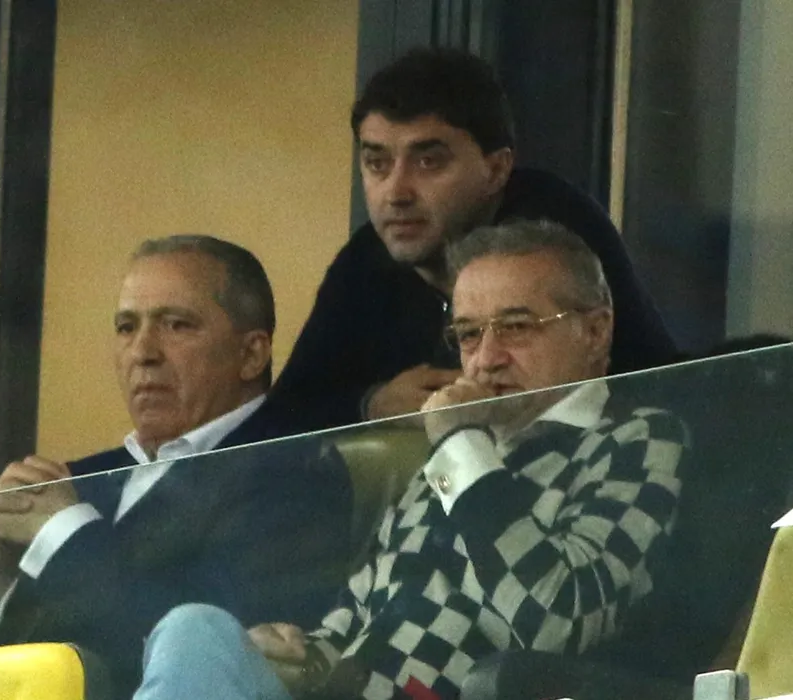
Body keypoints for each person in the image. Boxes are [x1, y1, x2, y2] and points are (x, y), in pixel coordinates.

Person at [130, 220, 688, 700]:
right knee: (195, 629)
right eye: (468, 334)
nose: (486, 359)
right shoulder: (458, 450)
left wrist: (462, 448)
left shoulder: (634, 438)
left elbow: (557, 621)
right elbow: (358, 620)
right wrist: (305, 655)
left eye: (517, 328)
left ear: (595, 330)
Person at [0, 235, 353, 697]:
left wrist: (65, 536)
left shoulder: (296, 471)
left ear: (251, 355)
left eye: (176, 325)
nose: (143, 352)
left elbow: (201, 654)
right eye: (127, 328)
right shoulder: (78, 483)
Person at [270, 48, 677, 432]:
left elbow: (657, 389)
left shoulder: (550, 236)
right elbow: (271, 425)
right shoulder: (365, 258)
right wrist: (371, 405)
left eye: (428, 162)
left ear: (496, 170)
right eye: (377, 163)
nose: (396, 193)